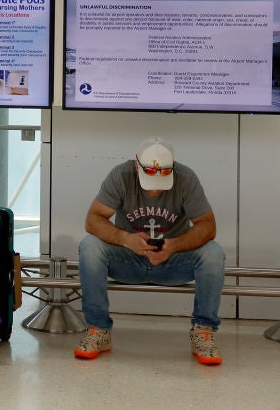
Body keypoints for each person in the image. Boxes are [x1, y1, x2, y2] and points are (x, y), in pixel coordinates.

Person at [75, 136, 225, 365]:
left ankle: (203, 331)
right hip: (129, 258)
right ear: (137, 166)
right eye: (149, 182)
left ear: (172, 169)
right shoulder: (121, 176)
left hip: (172, 260)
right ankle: (99, 329)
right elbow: (93, 220)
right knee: (89, 247)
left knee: (213, 253)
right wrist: (126, 239)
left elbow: (208, 226)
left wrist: (172, 245)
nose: (154, 191)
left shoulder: (186, 178)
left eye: (161, 184)